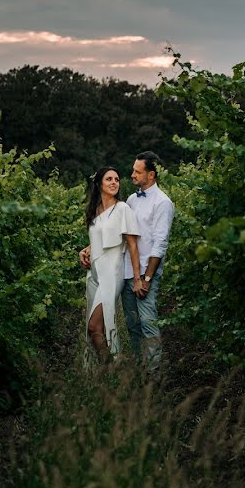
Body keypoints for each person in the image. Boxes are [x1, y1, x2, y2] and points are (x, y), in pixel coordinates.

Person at [80, 152, 174, 370]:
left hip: (143, 273)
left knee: (148, 324)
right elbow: (114, 236)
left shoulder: (163, 203)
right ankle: (139, 368)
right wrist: (87, 250)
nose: (131, 175)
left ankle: (152, 374)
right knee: (132, 325)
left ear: (150, 175)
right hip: (123, 272)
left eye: (137, 172)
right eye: (132, 171)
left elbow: (158, 245)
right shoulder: (131, 200)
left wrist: (146, 277)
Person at [83, 166, 142, 363]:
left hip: (112, 273)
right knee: (95, 328)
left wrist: (137, 278)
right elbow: (100, 239)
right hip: (95, 273)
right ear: (99, 183)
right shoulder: (95, 209)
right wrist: (86, 250)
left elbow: (132, 245)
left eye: (117, 179)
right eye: (109, 179)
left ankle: (113, 364)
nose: (114, 182)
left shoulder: (123, 209)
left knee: (94, 325)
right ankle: (105, 373)